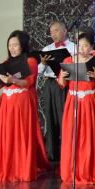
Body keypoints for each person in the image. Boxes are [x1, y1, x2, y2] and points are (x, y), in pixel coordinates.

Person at [0, 31, 50, 182]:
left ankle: (22, 168)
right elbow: (1, 84)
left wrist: (13, 80)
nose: (12, 48)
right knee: (7, 134)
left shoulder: (30, 61)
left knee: (21, 133)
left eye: (15, 45)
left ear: (23, 45)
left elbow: (28, 82)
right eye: (10, 45)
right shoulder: (5, 62)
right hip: (7, 102)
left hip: (22, 101)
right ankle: (7, 168)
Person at [57, 32, 95, 186]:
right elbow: (62, 84)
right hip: (72, 101)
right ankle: (72, 171)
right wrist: (62, 75)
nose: (82, 49)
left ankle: (89, 170)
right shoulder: (68, 60)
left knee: (89, 135)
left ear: (92, 47)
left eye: (86, 46)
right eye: (79, 45)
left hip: (89, 101)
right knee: (72, 135)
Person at [36, 19, 75, 162]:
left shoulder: (74, 48)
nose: (53, 34)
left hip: (65, 84)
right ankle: (52, 153)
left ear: (65, 31)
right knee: (49, 117)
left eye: (56, 31)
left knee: (64, 117)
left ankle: (67, 152)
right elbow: (39, 71)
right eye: (51, 32)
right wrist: (43, 63)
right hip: (49, 83)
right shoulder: (47, 48)